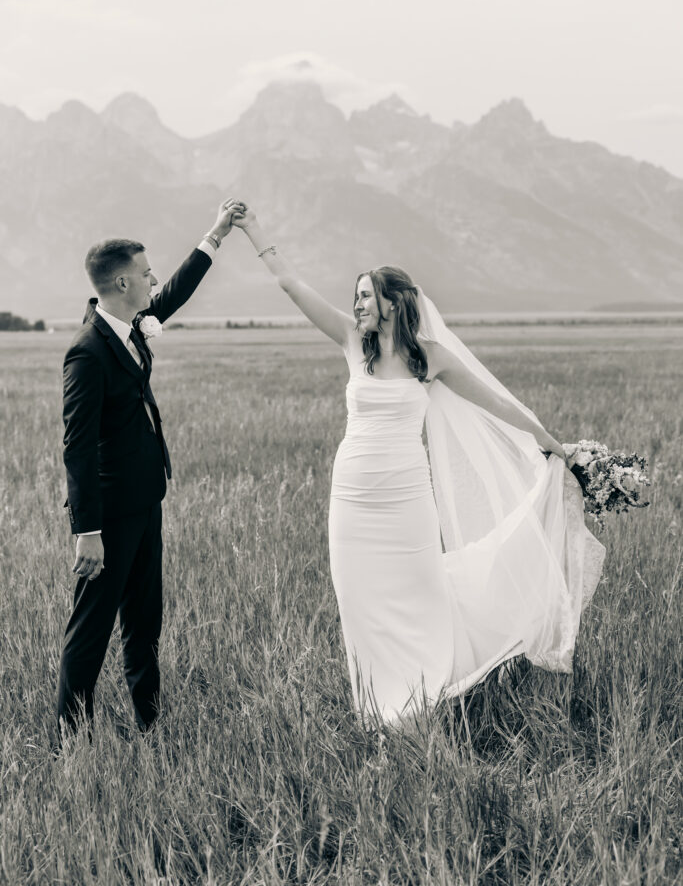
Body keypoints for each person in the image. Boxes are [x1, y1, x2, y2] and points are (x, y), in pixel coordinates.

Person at [228, 201, 606, 724]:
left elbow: (496, 403)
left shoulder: (429, 356)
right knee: (360, 602)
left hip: (407, 500)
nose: (356, 303)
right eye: (355, 296)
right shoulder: (350, 343)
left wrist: (556, 447)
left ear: (391, 302)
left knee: (420, 598)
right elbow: (293, 286)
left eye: (365, 295)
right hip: (353, 499)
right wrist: (252, 230)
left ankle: (419, 698)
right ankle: (382, 710)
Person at [57, 198, 245, 738]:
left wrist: (215, 235)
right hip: (110, 514)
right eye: (144, 273)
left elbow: (174, 293)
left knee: (144, 623)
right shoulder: (88, 352)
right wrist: (87, 532)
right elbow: (77, 447)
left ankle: (150, 725)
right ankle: (71, 742)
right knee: (90, 631)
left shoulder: (131, 324)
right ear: (120, 284)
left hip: (146, 500)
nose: (152, 279)